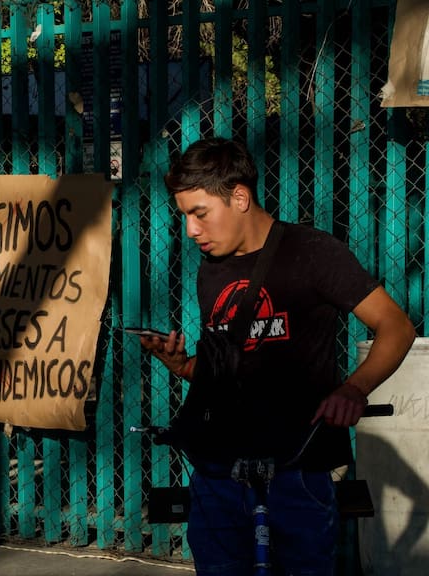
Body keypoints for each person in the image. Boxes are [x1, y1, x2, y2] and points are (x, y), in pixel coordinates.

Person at [139, 137, 416, 576]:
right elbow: (232, 369)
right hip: (217, 474)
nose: (191, 230)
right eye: (185, 217)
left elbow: (396, 327)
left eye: (200, 213)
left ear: (240, 197)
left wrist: (354, 388)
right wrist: (182, 366)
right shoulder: (211, 270)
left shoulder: (313, 252)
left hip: (295, 470)